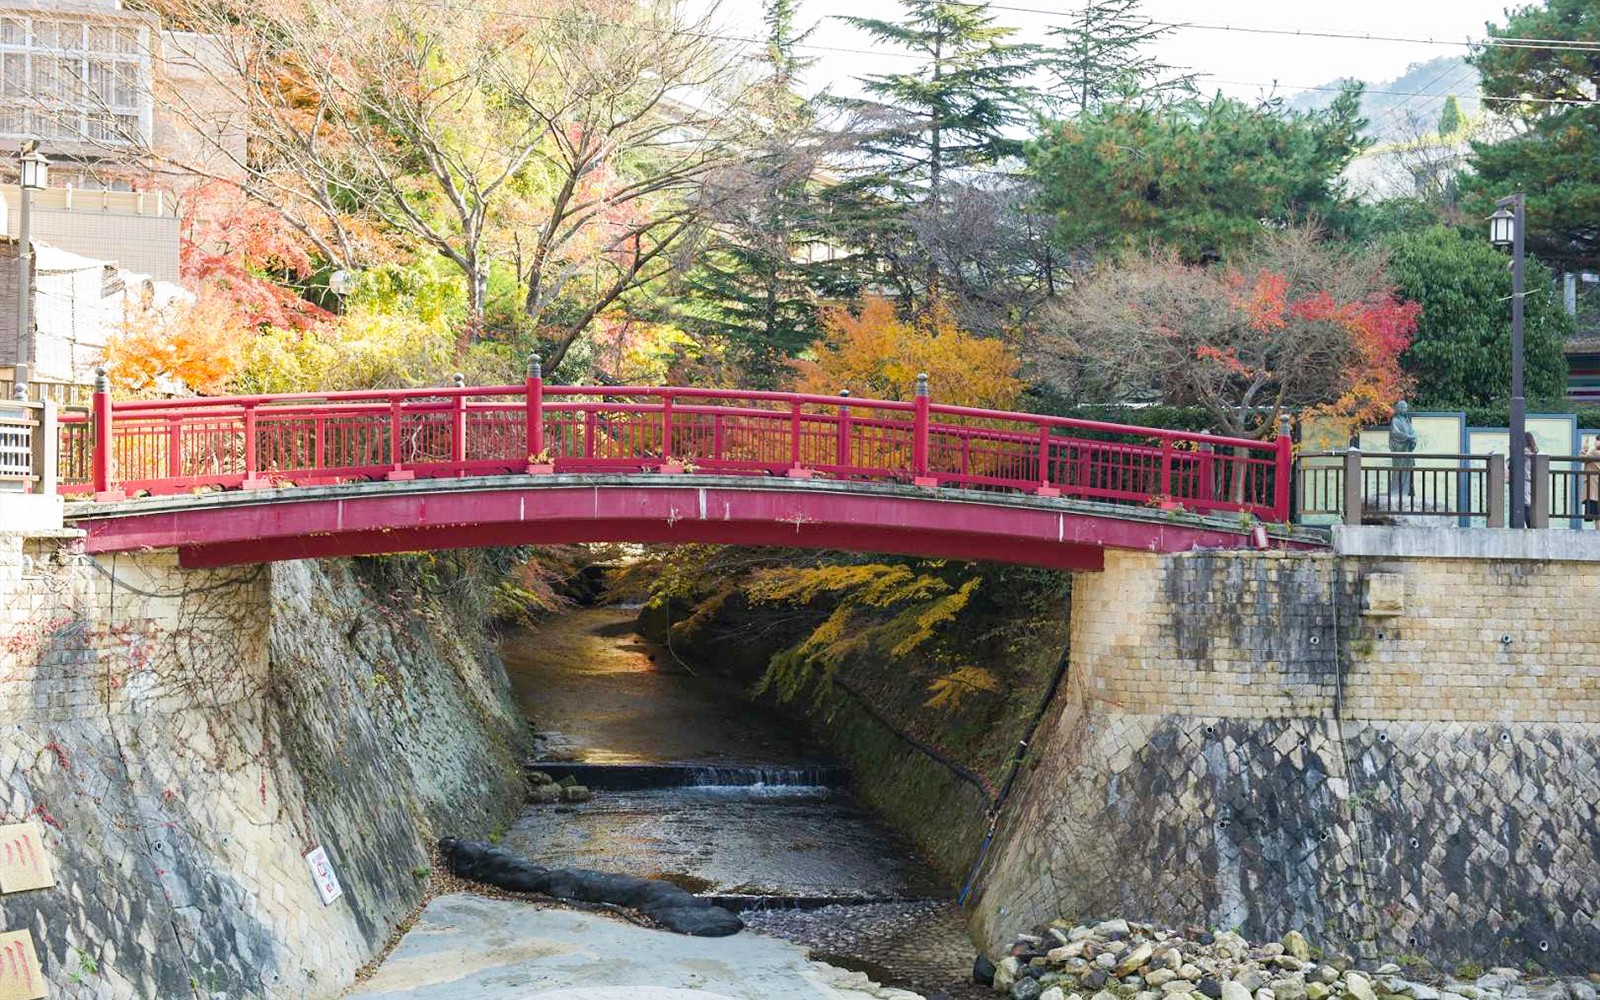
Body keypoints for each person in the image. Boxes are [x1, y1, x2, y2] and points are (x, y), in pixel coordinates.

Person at [1388, 400, 1418, 506]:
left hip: (1407, 450)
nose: (1405, 410)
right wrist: (1408, 437)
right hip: (1399, 450)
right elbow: (1395, 433)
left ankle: (1406, 491)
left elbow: (1413, 432)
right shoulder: (1395, 420)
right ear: (1398, 409)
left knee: (1407, 471)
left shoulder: (1406, 420)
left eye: (1406, 408)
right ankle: (1397, 491)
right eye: (1403, 408)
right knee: (1398, 471)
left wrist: (1413, 438)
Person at [1582, 435, 1600, 527]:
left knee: (1596, 514)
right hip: (1596, 487)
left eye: (1597, 440)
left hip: (1593, 488)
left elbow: (1582, 459)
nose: (1595, 442)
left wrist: (1584, 448)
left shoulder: (1594, 453)